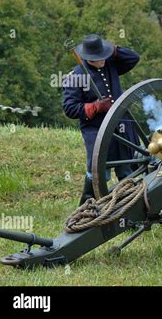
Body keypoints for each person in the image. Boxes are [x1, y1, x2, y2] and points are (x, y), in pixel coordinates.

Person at [62, 34, 140, 205]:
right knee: (99, 172)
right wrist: (95, 107)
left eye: (104, 56)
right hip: (96, 130)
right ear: (89, 58)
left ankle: (129, 208)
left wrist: (113, 50)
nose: (102, 60)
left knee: (127, 170)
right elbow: (69, 108)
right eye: (98, 58)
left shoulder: (111, 63)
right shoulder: (76, 76)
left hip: (121, 125)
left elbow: (134, 58)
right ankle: (88, 208)